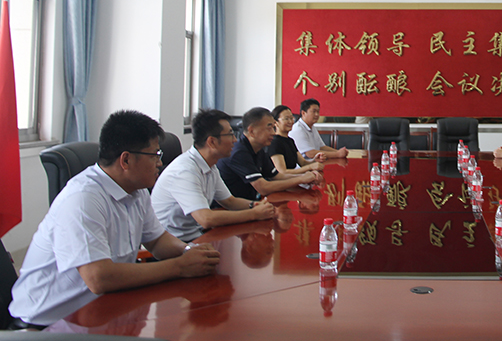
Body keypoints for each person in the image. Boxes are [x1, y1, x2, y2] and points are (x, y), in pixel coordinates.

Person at [8, 110, 220, 327]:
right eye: (155, 155)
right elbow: (98, 278)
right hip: (49, 324)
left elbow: (157, 241)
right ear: (126, 160)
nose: (160, 163)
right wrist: (180, 266)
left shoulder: (137, 191)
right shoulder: (83, 198)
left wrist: (189, 250)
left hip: (100, 309)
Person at [151, 109, 276, 241]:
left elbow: (229, 201)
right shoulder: (185, 171)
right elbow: (206, 219)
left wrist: (255, 205)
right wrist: (254, 214)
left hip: (197, 234)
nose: (235, 140)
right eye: (230, 134)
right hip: (174, 242)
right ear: (212, 142)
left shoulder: (210, 165)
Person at [217, 107, 320, 200]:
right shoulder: (239, 153)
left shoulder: (258, 149)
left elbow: (277, 176)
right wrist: (301, 179)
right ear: (252, 131)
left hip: (249, 203)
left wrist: (307, 176)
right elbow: (263, 187)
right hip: (228, 209)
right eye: (269, 128)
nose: (273, 133)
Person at [267, 104, 324, 176]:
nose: (290, 122)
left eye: (291, 118)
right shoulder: (274, 142)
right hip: (283, 181)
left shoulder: (290, 140)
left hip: (292, 178)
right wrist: (310, 167)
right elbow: (282, 172)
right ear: (276, 122)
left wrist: (314, 160)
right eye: (286, 119)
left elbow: (303, 163)